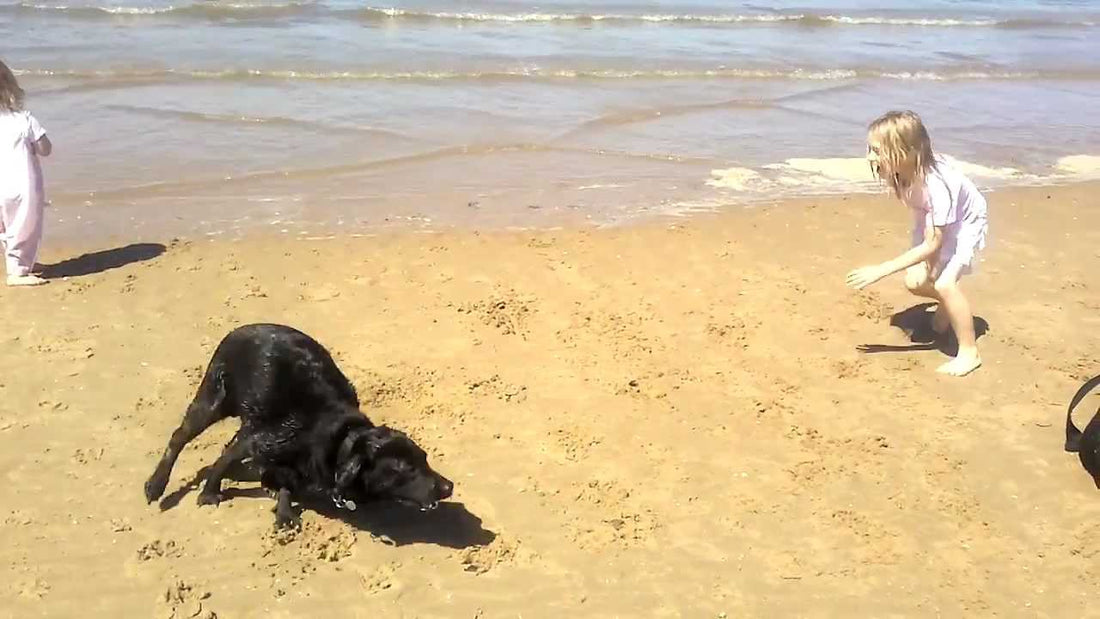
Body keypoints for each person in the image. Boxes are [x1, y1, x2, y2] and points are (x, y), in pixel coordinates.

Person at [846, 110, 988, 377]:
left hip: (966, 220)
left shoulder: (938, 186)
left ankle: (970, 352)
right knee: (918, 282)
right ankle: (948, 307)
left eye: (877, 151)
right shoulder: (902, 171)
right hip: (932, 217)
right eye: (869, 149)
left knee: (945, 283)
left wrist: (880, 270)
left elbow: (934, 243)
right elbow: (928, 227)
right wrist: (930, 265)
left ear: (908, 152)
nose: (869, 157)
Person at [0, 59, 52, 287]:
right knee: (24, 225)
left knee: (4, 225)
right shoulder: (24, 119)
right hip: (21, 185)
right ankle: (18, 272)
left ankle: (20, 262)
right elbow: (46, 149)